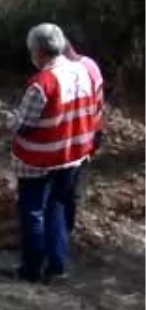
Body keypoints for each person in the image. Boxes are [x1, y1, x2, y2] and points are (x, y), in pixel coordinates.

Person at [3, 24, 99, 282]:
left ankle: (31, 269)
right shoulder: (81, 70)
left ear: (38, 51)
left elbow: (23, 124)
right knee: (56, 208)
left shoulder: (42, 83)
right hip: (73, 154)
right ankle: (58, 267)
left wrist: (6, 121)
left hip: (41, 159)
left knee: (33, 211)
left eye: (32, 50)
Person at [62, 38, 105, 235]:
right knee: (73, 181)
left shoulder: (71, 73)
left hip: (79, 135)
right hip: (94, 130)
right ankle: (66, 225)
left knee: (67, 186)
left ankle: (65, 228)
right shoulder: (90, 64)